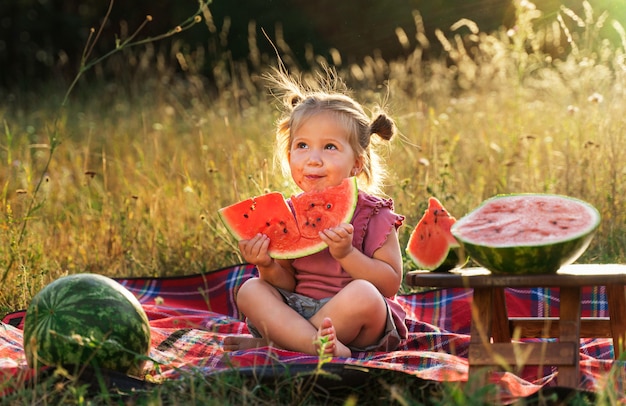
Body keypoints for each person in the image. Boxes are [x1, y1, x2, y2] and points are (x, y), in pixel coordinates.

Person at [224, 69, 407, 357]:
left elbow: (389, 283)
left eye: (330, 147)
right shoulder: (289, 213)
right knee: (250, 289)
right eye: (302, 146)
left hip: (357, 323)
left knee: (365, 294)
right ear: (289, 155)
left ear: (357, 164)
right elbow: (286, 283)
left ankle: (282, 344)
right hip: (296, 311)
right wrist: (267, 265)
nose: (313, 159)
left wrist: (348, 255)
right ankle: (313, 345)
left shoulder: (374, 213)